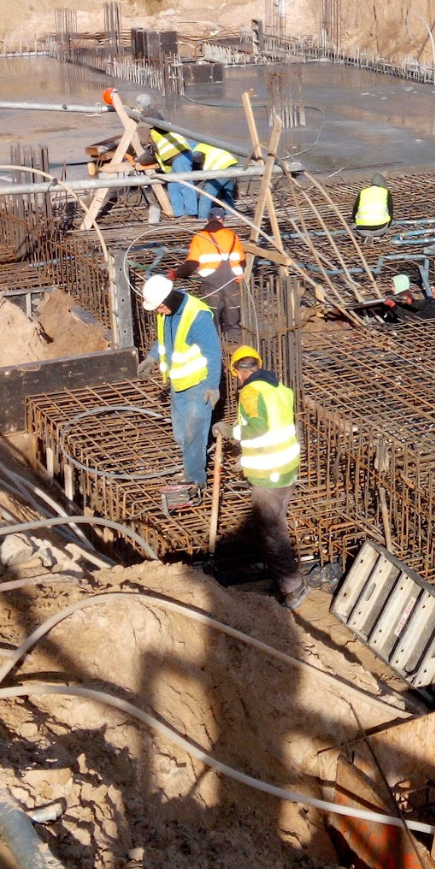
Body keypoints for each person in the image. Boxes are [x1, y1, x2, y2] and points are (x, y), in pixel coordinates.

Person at [226, 344, 305, 607]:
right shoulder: (280, 389)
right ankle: (286, 578)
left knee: (268, 534)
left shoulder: (250, 392)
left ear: (238, 372)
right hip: (286, 467)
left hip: (268, 473)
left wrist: (231, 433)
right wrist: (246, 456)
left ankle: (293, 585)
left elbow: (258, 428)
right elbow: (277, 427)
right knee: (277, 526)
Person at [140, 270, 221, 513]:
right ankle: (191, 466)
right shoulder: (168, 312)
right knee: (181, 435)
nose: (157, 312)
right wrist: (152, 358)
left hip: (198, 386)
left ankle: (195, 482)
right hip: (178, 384)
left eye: (159, 307)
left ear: (169, 299)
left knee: (194, 434)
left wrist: (213, 387)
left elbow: (213, 354)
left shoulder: (197, 317)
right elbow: (165, 340)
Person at [186, 212, 246, 283]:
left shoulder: (199, 237)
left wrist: (177, 274)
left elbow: (192, 263)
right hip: (233, 280)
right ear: (223, 221)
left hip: (211, 282)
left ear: (207, 221)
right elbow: (242, 261)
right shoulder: (232, 236)